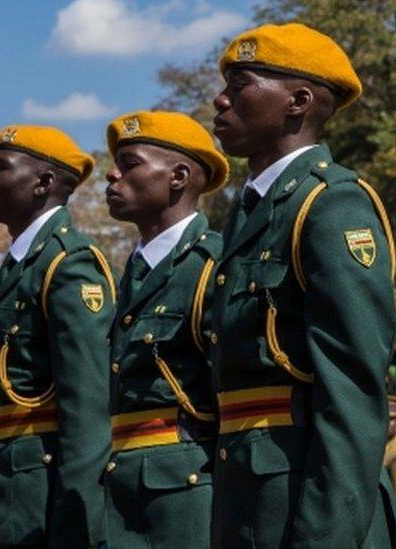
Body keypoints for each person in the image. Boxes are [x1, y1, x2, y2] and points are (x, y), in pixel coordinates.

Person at [210, 23, 396, 546]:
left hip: (309, 510)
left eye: (241, 84)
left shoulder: (330, 204)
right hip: (249, 503)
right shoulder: (251, 213)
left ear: (298, 101)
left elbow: (354, 395)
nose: (220, 101)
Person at [0, 125, 116, 547]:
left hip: (43, 498)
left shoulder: (68, 264)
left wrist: (78, 521)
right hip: (8, 492)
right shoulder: (18, 266)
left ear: (43, 183)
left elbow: (87, 409)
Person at [102, 111, 229, 547]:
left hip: (185, 497)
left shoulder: (214, 264)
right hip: (122, 491)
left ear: (177, 177)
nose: (112, 174)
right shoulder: (132, 272)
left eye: (130, 163)